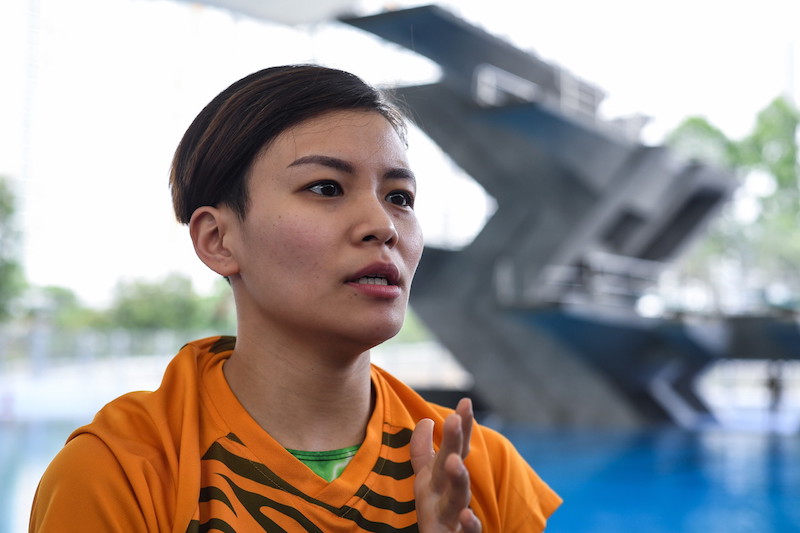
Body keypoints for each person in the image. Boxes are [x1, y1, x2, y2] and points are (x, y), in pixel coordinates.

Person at [29, 65, 561, 532]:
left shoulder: (479, 472)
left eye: (400, 197)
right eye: (326, 187)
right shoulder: (122, 472)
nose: (382, 225)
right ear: (218, 240)